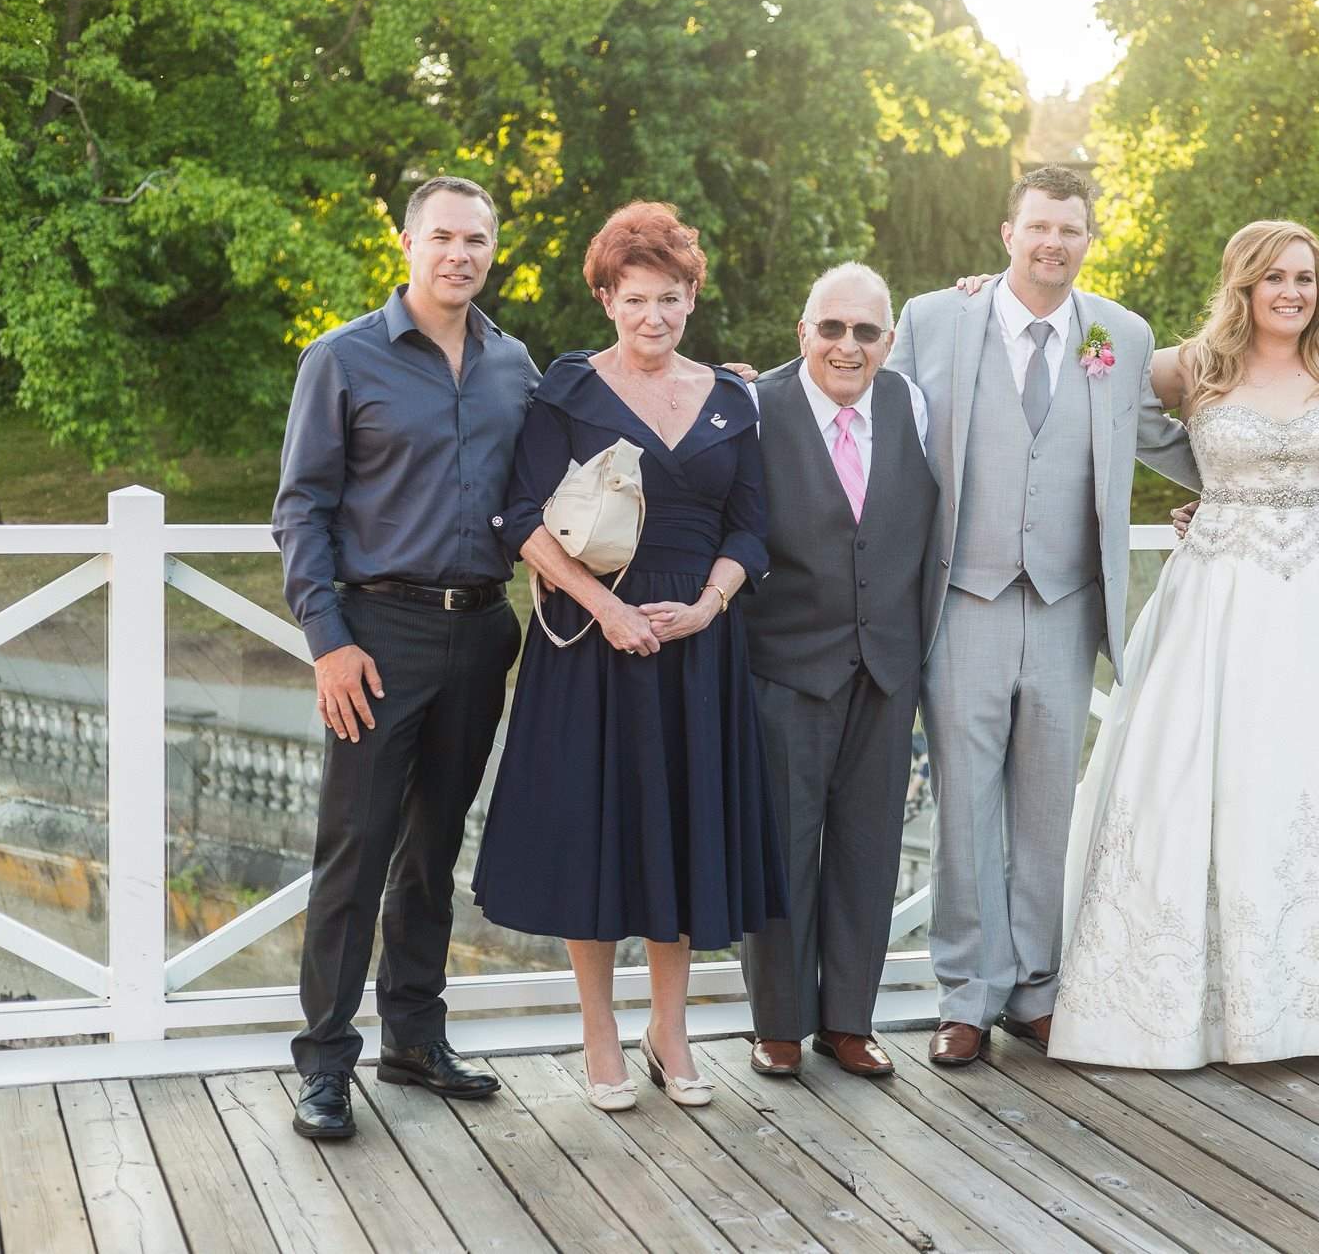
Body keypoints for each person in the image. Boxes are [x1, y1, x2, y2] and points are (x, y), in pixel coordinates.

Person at [1048, 219, 1319, 1069]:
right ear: (1243, 285)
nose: (1292, 292)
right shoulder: (1194, 366)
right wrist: (1210, 489)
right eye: (1274, 277)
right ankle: (1190, 1004)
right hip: (1217, 597)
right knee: (1204, 773)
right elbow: (1082, 363)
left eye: (1305, 277)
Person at [885, 166, 1201, 1067]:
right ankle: (966, 994)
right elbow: (877, 416)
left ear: (1089, 240)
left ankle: (1035, 990)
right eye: (1039, 226)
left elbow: (1158, 436)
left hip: (1067, 605)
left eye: (1070, 229)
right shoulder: (935, 319)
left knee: (1046, 808)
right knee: (963, 809)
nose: (1053, 242)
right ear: (1008, 233)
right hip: (964, 601)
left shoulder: (1120, 334)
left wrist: (1254, 488)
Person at [471, 202, 785, 1111]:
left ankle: (669, 1030)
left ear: (692, 299)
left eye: (671, 297)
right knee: (596, 833)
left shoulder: (731, 398)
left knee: (681, 831)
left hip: (697, 649)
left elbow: (751, 528)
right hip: (591, 644)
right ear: (607, 299)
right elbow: (521, 517)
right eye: (636, 297)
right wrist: (607, 607)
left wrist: (708, 607)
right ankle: (600, 1030)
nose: (655, 315)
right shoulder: (567, 390)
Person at [274, 176, 538, 1139]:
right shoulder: (341, 358)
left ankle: (415, 1039)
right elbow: (300, 509)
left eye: (477, 240)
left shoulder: (516, 365)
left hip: (483, 630)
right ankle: (324, 1062)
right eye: (443, 237)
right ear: (408, 244)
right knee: (355, 850)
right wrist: (329, 642)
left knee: (433, 850)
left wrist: (728, 385)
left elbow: (575, 456)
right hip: (377, 637)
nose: (459, 254)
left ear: (493, 250)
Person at [739, 263, 936, 1079]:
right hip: (785, 666)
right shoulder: (756, 406)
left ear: (888, 339)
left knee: (868, 848)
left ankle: (849, 1020)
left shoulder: (913, 404)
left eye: (865, 331)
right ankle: (780, 1022)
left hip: (886, 668)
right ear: (803, 332)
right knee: (783, 847)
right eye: (831, 328)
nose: (847, 346)